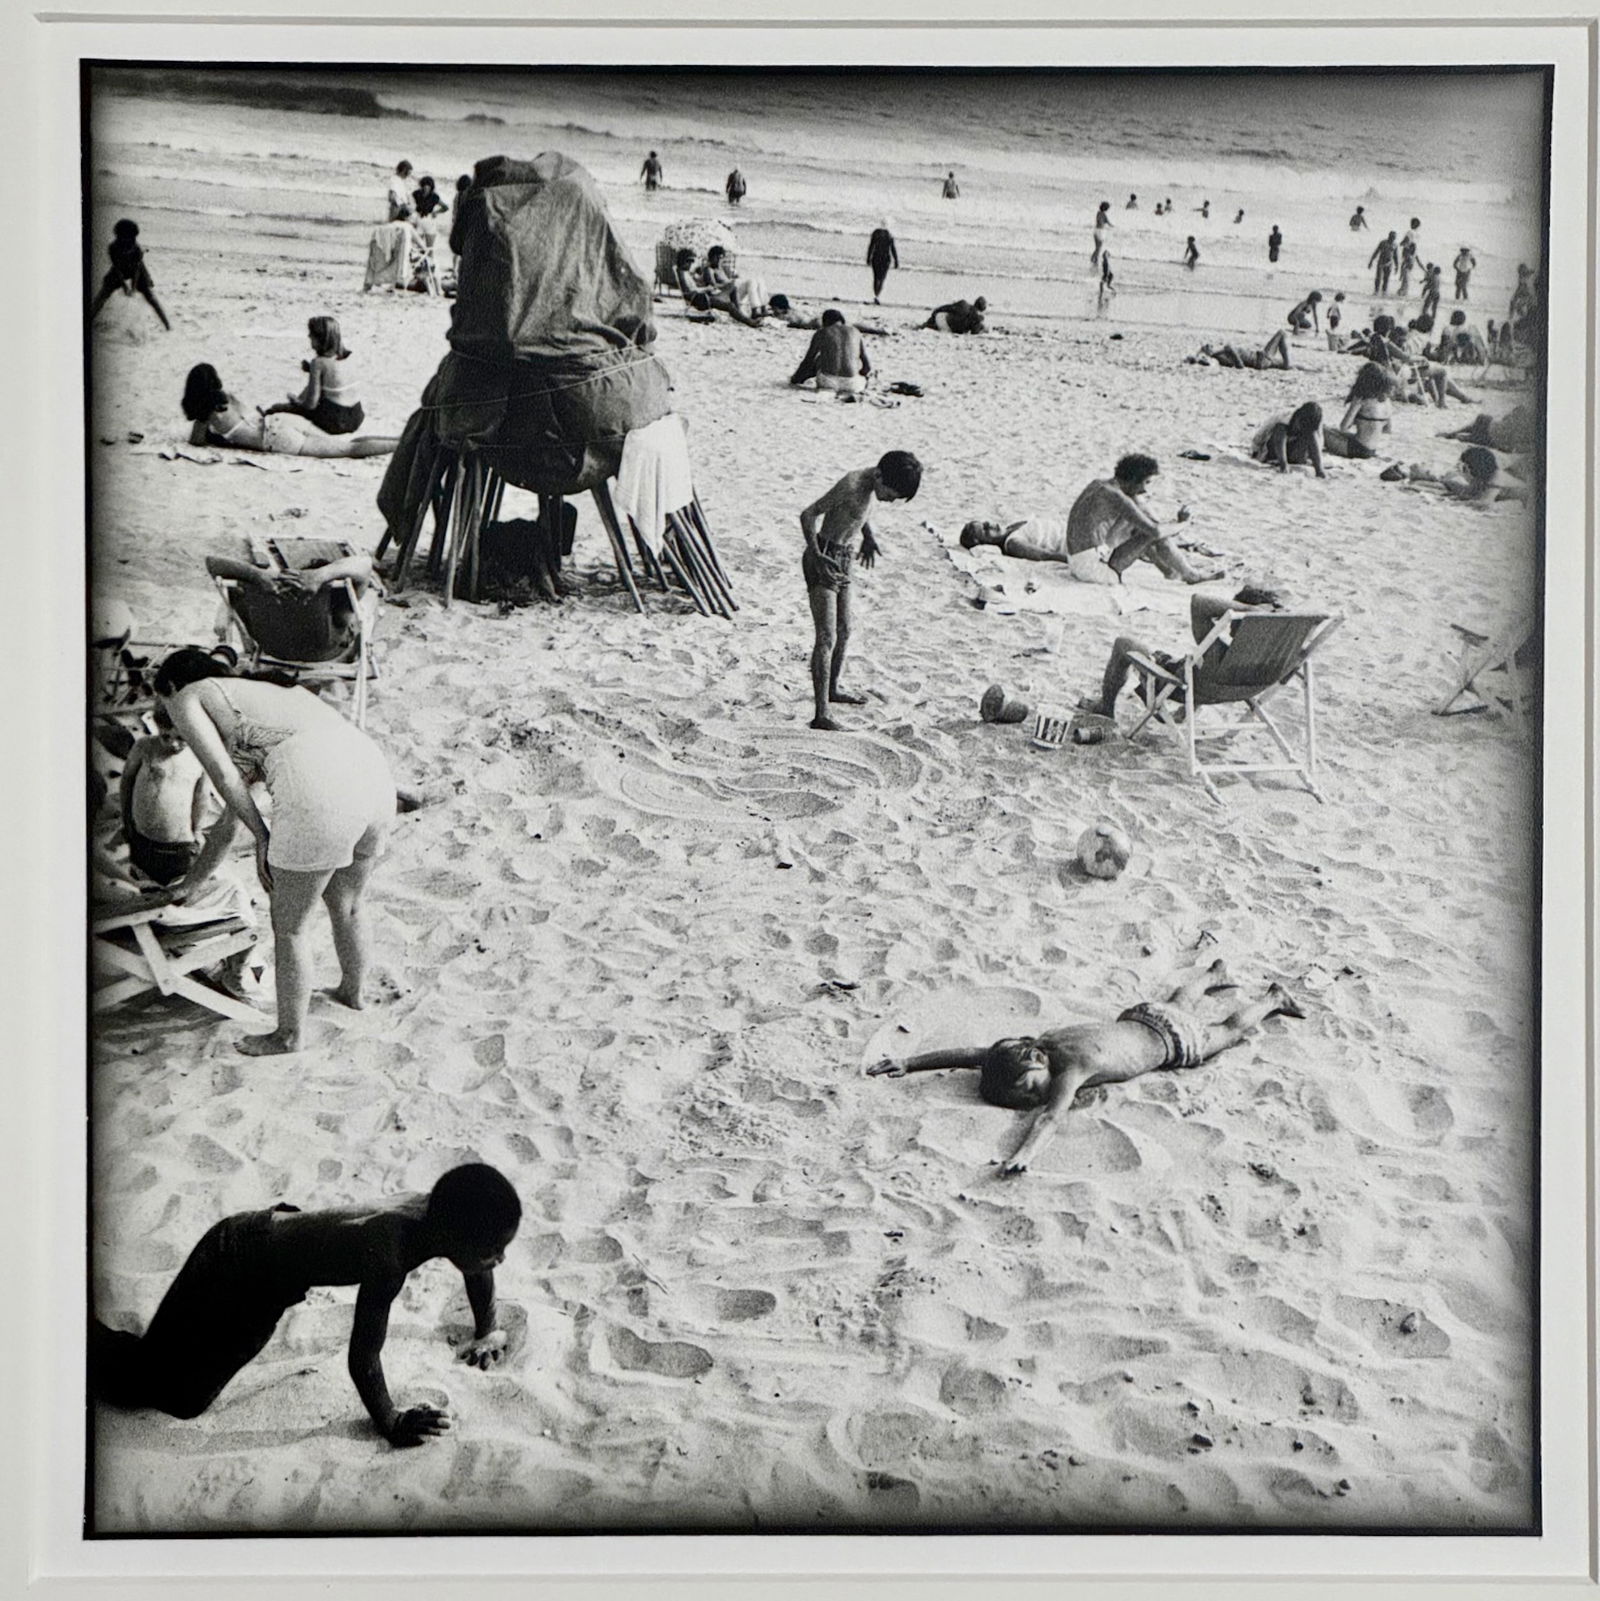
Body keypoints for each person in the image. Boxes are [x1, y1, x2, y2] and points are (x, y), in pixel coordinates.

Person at [91, 1164, 522, 1446]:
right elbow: (364, 1356)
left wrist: (487, 1328)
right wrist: (390, 1422)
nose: (498, 1259)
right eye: (493, 1250)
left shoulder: (441, 1214)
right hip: (238, 1265)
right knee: (171, 1395)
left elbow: (476, 1267)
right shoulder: (390, 1253)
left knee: (176, 1378)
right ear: (454, 1240)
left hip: (267, 1249)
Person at [151, 647, 396, 1055]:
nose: (165, 712)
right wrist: (196, 880)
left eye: (162, 701)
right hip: (373, 778)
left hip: (321, 790)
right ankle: (353, 993)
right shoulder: (266, 693)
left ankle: (287, 1036)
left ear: (172, 686)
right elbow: (230, 822)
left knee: (291, 927)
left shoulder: (187, 696)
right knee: (350, 905)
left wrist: (263, 838)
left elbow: (224, 779)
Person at [867, 962, 1303, 1176]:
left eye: (1030, 1090)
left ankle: (1271, 1001)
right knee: (1177, 1001)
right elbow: (969, 1054)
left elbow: (1051, 1117)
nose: (1034, 1097)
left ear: (1037, 1064)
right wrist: (909, 1062)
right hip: (1140, 1016)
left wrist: (1024, 1154)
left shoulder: (1070, 1068)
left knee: (1224, 1032)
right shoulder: (1039, 1044)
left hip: (1170, 1044)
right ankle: (1214, 974)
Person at [798, 451, 923, 731]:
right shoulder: (852, 483)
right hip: (824, 557)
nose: (890, 500)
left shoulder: (870, 486)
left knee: (845, 629)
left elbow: (858, 512)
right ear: (879, 476)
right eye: (891, 494)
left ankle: (832, 688)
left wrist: (869, 537)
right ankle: (821, 714)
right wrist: (816, 555)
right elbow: (808, 515)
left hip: (844, 557)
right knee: (826, 636)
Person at [961, 455, 1218, 586]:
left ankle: (1171, 569)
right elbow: (1155, 530)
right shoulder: (1115, 496)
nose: (1146, 489)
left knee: (1141, 512)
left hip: (1090, 552)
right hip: (1092, 569)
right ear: (1132, 479)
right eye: (1145, 483)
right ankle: (1189, 574)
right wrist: (1183, 522)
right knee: (1150, 531)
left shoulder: (1100, 486)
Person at [1078, 583, 1288, 723]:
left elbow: (1198, 602)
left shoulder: (1218, 651)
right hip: (1239, 691)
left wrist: (1249, 611)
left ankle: (1105, 707)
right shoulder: (1277, 656)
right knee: (1193, 662)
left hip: (1179, 687)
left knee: (1124, 644)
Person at [182, 365, 397, 459]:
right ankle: (400, 439)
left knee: (348, 450)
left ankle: (401, 444)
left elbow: (196, 442)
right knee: (348, 443)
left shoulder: (206, 415)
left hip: (275, 438)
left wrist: (217, 439)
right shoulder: (229, 397)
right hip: (278, 420)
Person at [118, 709, 215, 886]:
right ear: (157, 727)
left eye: (181, 739)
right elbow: (127, 782)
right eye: (165, 737)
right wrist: (126, 818)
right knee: (143, 884)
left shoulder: (201, 756)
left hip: (179, 845)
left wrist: (197, 831)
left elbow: (201, 797)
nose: (173, 744)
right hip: (142, 839)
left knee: (178, 889)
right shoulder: (144, 747)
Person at [260, 316, 366, 436]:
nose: (308, 337)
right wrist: (311, 370)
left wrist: (295, 402)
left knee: (277, 408)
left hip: (335, 420)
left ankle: (264, 419)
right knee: (318, 392)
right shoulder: (350, 357)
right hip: (355, 417)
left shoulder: (318, 363)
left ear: (321, 339)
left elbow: (311, 405)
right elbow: (336, 375)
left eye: (311, 334)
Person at [88, 218, 171, 331]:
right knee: (104, 293)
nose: (133, 239)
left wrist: (133, 286)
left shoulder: (136, 248)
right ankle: (88, 319)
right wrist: (124, 286)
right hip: (120, 269)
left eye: (134, 237)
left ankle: (167, 325)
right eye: (130, 237)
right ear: (120, 235)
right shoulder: (113, 247)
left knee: (150, 297)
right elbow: (116, 267)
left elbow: (138, 268)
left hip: (136, 269)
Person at [789, 309, 871, 395]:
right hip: (851, 384)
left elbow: (808, 361)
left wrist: (795, 379)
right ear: (842, 321)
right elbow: (867, 367)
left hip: (828, 381)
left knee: (820, 359)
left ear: (825, 322)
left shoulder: (822, 332)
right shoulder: (855, 332)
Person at [700, 244, 769, 321]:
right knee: (750, 282)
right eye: (717, 258)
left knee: (758, 280)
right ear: (711, 257)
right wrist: (728, 284)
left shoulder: (720, 269)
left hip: (732, 294)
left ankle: (762, 308)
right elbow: (713, 287)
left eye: (721, 258)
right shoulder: (709, 270)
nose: (719, 261)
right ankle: (754, 310)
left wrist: (731, 280)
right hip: (723, 297)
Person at [1339, 360, 1396, 450]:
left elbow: (1343, 427)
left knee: (1323, 430)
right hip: (1375, 448)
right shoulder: (1387, 402)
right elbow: (1387, 430)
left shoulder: (1360, 400)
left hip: (1357, 448)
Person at [1442, 403, 1534, 455]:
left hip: (1491, 428)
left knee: (1481, 420)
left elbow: (1505, 418)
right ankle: (1460, 436)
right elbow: (1517, 448)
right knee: (1470, 437)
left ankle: (1452, 434)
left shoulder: (1522, 410)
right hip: (1493, 442)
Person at [1191, 328, 1291, 370]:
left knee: (1290, 366)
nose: (1210, 345)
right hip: (1260, 359)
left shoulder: (1221, 354)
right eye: (1207, 347)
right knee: (1281, 333)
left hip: (1260, 359)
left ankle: (1287, 364)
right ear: (1208, 353)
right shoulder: (1223, 353)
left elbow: (1237, 363)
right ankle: (1287, 363)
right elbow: (1240, 365)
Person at [867, 222, 898, 303]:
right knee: (882, 278)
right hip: (885, 258)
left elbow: (871, 246)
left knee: (876, 277)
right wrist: (896, 260)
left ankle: (876, 295)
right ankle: (877, 295)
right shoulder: (889, 235)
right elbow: (893, 249)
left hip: (876, 257)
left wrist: (868, 257)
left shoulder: (876, 233)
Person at [922, 297, 987, 334]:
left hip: (941, 319)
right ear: (983, 309)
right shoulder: (977, 318)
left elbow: (945, 308)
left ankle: (925, 325)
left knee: (940, 317)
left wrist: (934, 314)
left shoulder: (963, 304)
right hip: (949, 329)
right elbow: (974, 332)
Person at [1091, 201, 1113, 268]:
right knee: (1099, 247)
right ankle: (1095, 259)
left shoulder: (1098, 213)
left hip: (1096, 230)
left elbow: (1099, 221)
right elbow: (1108, 223)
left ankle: (1093, 258)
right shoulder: (1104, 214)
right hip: (1101, 231)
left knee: (1097, 247)